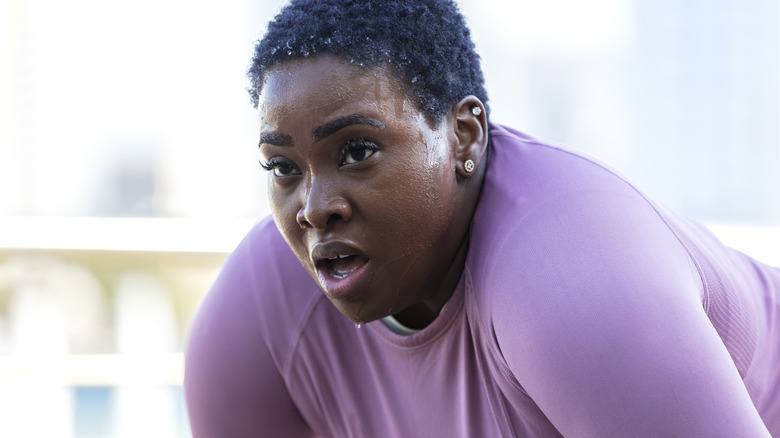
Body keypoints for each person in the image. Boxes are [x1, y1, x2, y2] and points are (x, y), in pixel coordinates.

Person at [184, 0, 780, 436]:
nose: (316, 208)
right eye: (283, 168)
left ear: (463, 136)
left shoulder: (571, 284)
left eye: (357, 152)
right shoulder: (258, 314)